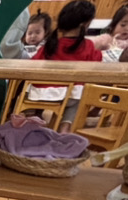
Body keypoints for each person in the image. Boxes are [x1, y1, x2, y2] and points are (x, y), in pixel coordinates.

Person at [28, 1, 102, 133]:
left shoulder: (51, 44)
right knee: (80, 96)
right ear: (85, 24)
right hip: (70, 96)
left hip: (42, 93)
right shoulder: (88, 45)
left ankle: (36, 117)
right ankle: (65, 127)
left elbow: (34, 62)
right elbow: (96, 65)